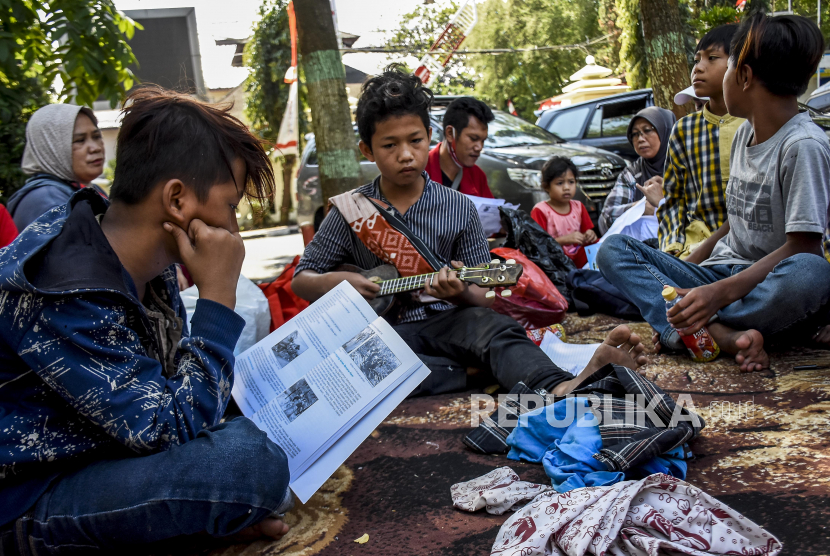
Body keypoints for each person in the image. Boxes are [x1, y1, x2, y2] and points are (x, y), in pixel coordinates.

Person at [0, 86, 295, 552]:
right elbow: (166, 431)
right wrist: (217, 296)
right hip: (29, 497)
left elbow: (173, 393)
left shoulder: (148, 266)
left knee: (250, 435)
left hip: (104, 457)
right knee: (246, 464)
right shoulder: (63, 284)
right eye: (231, 206)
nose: (234, 230)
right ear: (177, 200)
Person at [291, 66, 648, 400]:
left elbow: (486, 297)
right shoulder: (349, 210)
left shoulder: (459, 207)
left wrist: (461, 291)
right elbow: (301, 279)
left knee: (498, 330)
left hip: (451, 321)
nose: (405, 155)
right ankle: (472, 372)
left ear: (428, 137)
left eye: (415, 141)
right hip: (379, 332)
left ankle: (559, 387)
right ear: (367, 150)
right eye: (389, 145)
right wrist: (338, 283)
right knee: (347, 367)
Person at [599, 14, 830, 372]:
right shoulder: (743, 133)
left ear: (744, 76)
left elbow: (805, 245)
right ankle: (717, 332)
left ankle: (686, 328)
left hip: (766, 283)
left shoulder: (803, 145)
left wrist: (715, 295)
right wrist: (680, 272)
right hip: (719, 274)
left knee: (811, 273)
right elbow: (733, 224)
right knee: (613, 250)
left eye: (725, 64)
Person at [659, 24, 745, 259]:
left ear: (740, 65)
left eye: (712, 58)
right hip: (696, 248)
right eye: (696, 60)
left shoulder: (756, 122)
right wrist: (672, 249)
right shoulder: (684, 129)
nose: (698, 68)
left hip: (752, 251)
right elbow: (673, 200)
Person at [8, 104, 107, 231]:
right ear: (50, 148)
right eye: (80, 140)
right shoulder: (46, 200)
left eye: (96, 136)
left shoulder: (90, 189)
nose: (95, 148)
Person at [599, 107, 677, 235]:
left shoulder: (683, 166)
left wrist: (661, 203)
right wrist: (641, 208)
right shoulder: (633, 173)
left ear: (665, 131)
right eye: (635, 134)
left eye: (647, 130)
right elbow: (607, 216)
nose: (640, 139)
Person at [530, 156, 597, 268]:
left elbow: (588, 232)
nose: (566, 187)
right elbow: (537, 244)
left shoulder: (579, 206)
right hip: (555, 259)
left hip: (577, 255)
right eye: (560, 183)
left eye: (571, 182)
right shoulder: (540, 210)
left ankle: (594, 276)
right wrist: (564, 240)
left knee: (599, 244)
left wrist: (590, 235)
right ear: (546, 186)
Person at [424, 96, 495, 198]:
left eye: (483, 141)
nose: (479, 147)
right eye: (473, 138)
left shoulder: (477, 176)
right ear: (450, 133)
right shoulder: (419, 171)